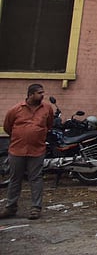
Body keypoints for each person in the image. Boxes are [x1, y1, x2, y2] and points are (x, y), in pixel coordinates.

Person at [1, 83, 54, 220]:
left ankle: (36, 208)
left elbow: (49, 125)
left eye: (43, 92)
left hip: (37, 150)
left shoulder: (47, 108)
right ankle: (10, 207)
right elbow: (8, 127)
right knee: (15, 179)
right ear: (30, 95)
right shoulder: (16, 109)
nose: (42, 95)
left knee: (35, 178)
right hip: (17, 149)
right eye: (39, 93)